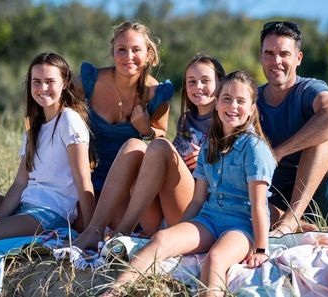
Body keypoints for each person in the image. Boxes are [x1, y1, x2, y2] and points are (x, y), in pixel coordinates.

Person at [102, 71, 276, 297]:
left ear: (252, 109)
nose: (233, 106)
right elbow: (197, 199)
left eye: (241, 101)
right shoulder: (210, 145)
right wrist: (179, 230)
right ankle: (115, 291)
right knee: (161, 239)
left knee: (215, 258)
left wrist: (261, 249)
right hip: (210, 218)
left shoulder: (254, 148)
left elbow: (259, 205)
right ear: (216, 104)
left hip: (241, 226)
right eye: (226, 99)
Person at [73, 53, 226, 251]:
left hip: (197, 216)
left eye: (205, 81)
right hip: (163, 213)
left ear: (221, 82)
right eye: (192, 81)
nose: (198, 87)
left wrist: (209, 162)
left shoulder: (226, 122)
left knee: (160, 146)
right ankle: (95, 231)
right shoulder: (186, 120)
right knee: (133, 145)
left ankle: (121, 233)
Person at [0, 52, 95, 255]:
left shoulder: (68, 120)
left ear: (65, 83)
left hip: (49, 216)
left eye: (50, 81)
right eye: (36, 81)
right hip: (24, 206)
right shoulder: (35, 126)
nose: (42, 88)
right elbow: (20, 183)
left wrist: (92, 232)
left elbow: (84, 183)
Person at [257, 21, 328, 236]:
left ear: (298, 58)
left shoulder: (309, 89)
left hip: (327, 199)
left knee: (324, 131)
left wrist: (278, 153)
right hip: (276, 201)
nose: (276, 61)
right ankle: (307, 226)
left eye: (284, 54)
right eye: (269, 53)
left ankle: (292, 221)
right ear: (261, 56)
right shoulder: (251, 100)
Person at [77, 21, 174, 197]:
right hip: (83, 179)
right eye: (121, 49)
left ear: (149, 55)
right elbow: (58, 103)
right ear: (113, 53)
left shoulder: (156, 94)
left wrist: (145, 129)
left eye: (136, 49)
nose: (128, 56)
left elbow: (161, 137)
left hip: (127, 186)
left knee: (116, 223)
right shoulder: (90, 81)